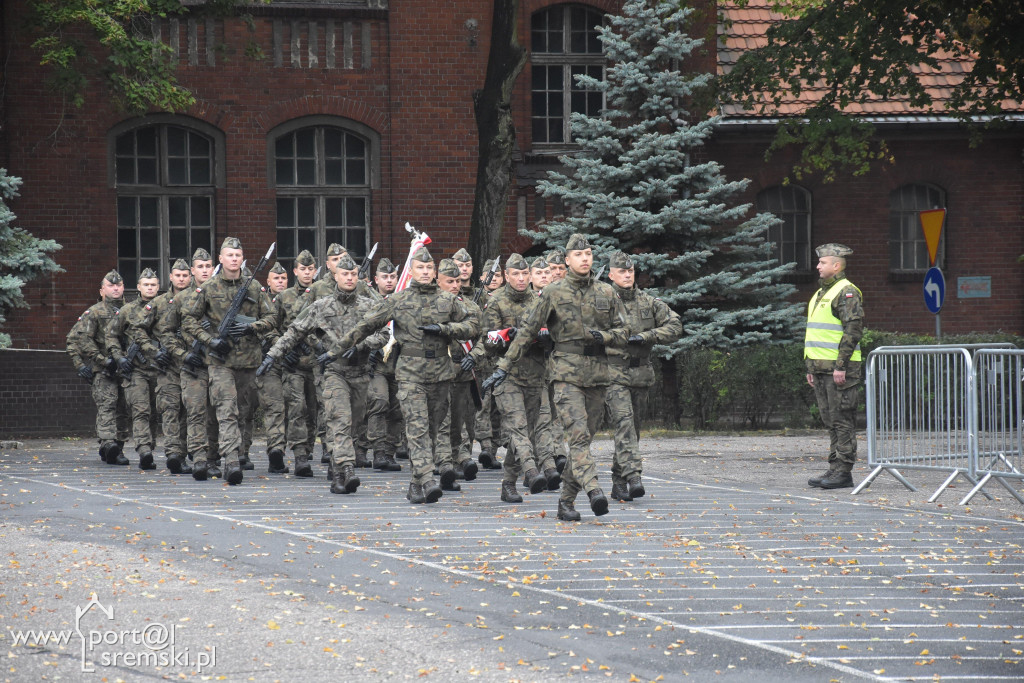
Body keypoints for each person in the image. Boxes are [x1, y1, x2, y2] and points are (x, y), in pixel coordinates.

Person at [483, 234, 630, 522]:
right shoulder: (553, 293)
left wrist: (605, 337)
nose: (585, 258)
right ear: (566, 260)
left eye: (588, 253)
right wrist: (503, 366)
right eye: (578, 255)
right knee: (576, 439)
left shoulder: (606, 292)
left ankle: (565, 501)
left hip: (598, 375)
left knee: (582, 443)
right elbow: (526, 331)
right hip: (564, 375)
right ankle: (593, 489)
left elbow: (623, 332)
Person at [333, 246, 480, 504]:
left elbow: (474, 325)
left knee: (432, 430)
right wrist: (338, 348)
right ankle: (427, 480)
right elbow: (366, 324)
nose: (424, 272)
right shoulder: (398, 300)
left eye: (428, 268)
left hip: (441, 374)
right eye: (420, 268)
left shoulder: (447, 301)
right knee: (417, 428)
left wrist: (446, 329)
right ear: (411, 271)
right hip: (410, 374)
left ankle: (415, 483)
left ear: (434, 272)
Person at [259, 254, 387, 494]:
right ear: (335, 276)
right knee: (340, 419)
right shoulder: (321, 305)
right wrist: (272, 356)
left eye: (353, 274)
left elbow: (383, 336)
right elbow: (294, 331)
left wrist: (360, 346)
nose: (349, 278)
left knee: (353, 425)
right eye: (345, 274)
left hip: (360, 372)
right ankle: (347, 468)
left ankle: (338, 475)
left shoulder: (369, 306)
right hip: (333, 372)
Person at [181, 237, 277, 485]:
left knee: (243, 412)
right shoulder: (209, 288)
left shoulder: (254, 287)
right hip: (220, 361)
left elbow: (271, 318)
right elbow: (189, 320)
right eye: (229, 255)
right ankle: (231, 460)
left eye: (238, 255)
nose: (234, 259)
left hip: (248, 361)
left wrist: (251, 328)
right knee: (226, 410)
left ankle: (227, 455)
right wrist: (210, 340)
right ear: (221, 259)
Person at [468, 253, 557, 504]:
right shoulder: (497, 302)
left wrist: (546, 338)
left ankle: (508, 483)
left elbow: (555, 335)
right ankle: (531, 470)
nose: (520, 279)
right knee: (517, 428)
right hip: (507, 375)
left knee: (528, 429)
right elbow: (488, 340)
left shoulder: (541, 301)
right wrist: (508, 335)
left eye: (524, 274)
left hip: (536, 374)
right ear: (507, 276)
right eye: (515, 274)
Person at [604, 251, 681, 501]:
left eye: (631, 271)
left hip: (640, 374)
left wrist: (648, 336)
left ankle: (618, 481)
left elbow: (675, 325)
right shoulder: (602, 301)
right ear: (610, 274)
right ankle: (634, 475)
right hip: (613, 373)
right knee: (624, 423)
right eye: (622, 271)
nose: (627, 275)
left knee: (633, 430)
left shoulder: (648, 301)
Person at [156, 248, 220, 477]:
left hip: (219, 364)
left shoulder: (221, 296)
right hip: (192, 365)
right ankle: (200, 458)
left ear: (213, 269)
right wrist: (183, 355)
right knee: (195, 412)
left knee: (216, 416)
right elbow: (166, 332)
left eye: (208, 266)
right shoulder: (181, 299)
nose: (204, 271)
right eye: (200, 267)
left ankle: (213, 458)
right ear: (193, 271)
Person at [805, 243, 864, 490]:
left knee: (842, 420)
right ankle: (834, 468)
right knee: (830, 420)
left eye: (823, 263)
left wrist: (841, 365)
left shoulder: (846, 291)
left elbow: (852, 330)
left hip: (839, 370)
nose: (818, 266)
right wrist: (810, 367)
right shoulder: (821, 292)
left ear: (836, 265)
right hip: (821, 368)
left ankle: (844, 471)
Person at [72, 270, 130, 465]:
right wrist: (99, 360)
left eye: (119, 285)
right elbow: (81, 339)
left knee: (123, 409)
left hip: (126, 367)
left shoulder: (130, 310)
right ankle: (107, 441)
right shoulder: (94, 312)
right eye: (111, 285)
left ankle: (118, 447)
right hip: (104, 368)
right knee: (108, 404)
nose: (115, 288)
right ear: (102, 289)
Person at [434, 258, 481, 490]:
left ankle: (457, 459)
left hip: (462, 373)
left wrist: (475, 355)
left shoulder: (469, 307)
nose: (455, 285)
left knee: (459, 420)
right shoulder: (430, 306)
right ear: (438, 281)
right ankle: (445, 463)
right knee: (442, 421)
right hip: (437, 374)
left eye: (457, 281)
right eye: (449, 281)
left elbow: (484, 337)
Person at [272, 249, 319, 475]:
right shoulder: (284, 297)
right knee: (297, 408)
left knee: (316, 410)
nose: (307, 272)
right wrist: (284, 351)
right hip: (293, 364)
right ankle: (300, 455)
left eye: (310, 269)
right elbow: (272, 327)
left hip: (318, 362)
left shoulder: (322, 294)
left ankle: (309, 449)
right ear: (295, 271)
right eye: (303, 269)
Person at [366, 257, 405, 471]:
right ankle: (378, 451)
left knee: (397, 410)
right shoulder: (370, 302)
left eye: (392, 277)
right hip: (377, 364)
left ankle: (390, 451)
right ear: (376, 279)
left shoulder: (401, 301)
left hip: (399, 363)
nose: (389, 281)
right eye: (384, 277)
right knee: (380, 402)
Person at [255, 262, 290, 472]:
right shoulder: (261, 301)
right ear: (268, 282)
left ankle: (301, 452)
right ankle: (276, 451)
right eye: (276, 278)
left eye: (283, 278)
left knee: (298, 409)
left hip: (292, 362)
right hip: (269, 363)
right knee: (274, 407)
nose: (280, 282)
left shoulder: (294, 300)